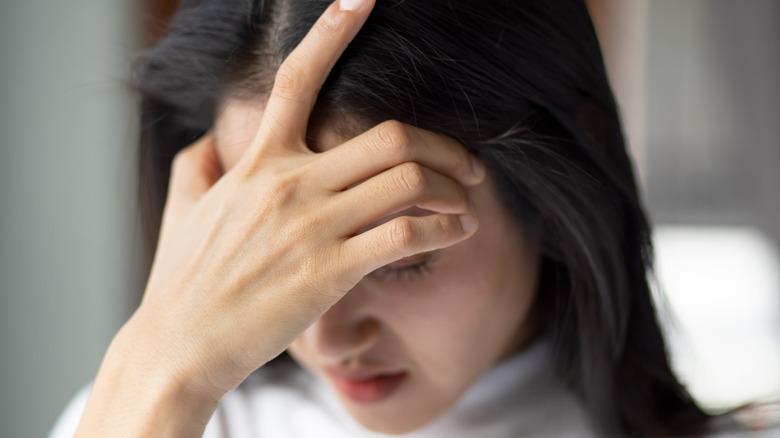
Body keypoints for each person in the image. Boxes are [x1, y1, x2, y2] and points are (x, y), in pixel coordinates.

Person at [48, 0, 773, 436]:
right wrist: (160, 371)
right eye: (263, 247)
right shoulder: (151, 412)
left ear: (552, 198)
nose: (326, 335)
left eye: (396, 256)